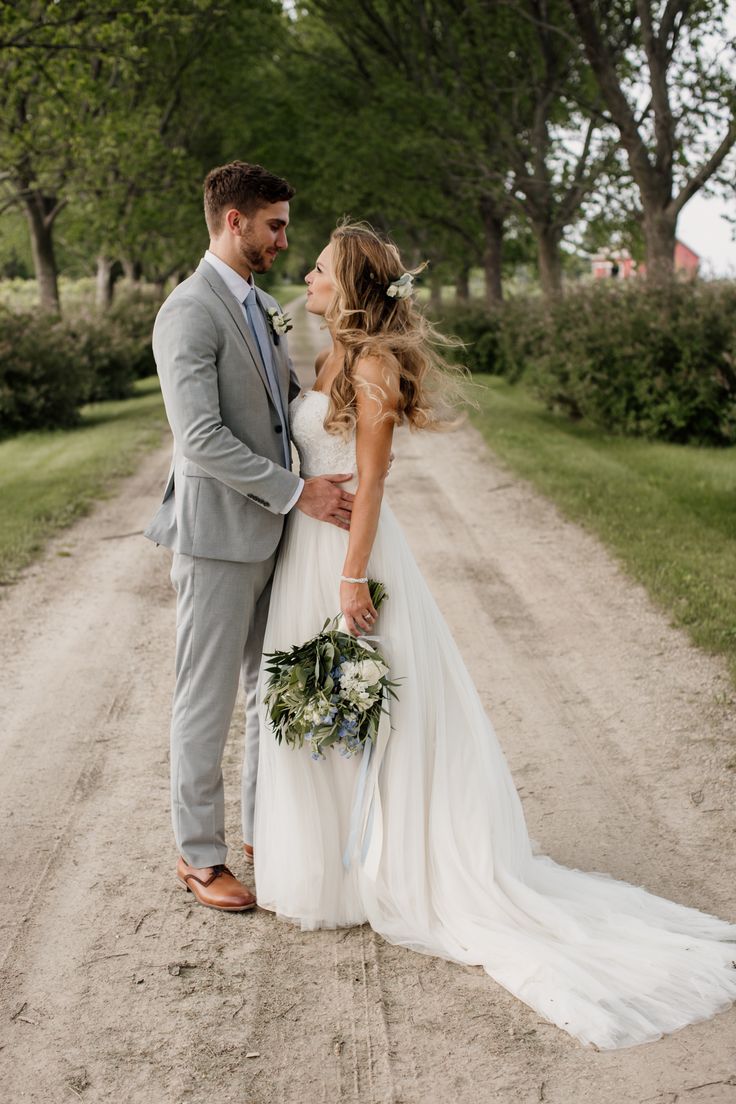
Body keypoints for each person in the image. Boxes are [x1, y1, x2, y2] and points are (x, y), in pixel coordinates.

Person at [252, 219, 736, 1049]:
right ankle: (337, 864)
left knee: (374, 711)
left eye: (322, 268)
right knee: (321, 708)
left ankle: (395, 864)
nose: (309, 275)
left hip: (347, 559)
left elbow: (372, 482)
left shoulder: (370, 365)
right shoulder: (329, 355)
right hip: (309, 551)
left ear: (353, 285)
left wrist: (350, 577)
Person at [144, 162, 354, 912]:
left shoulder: (263, 306)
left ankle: (268, 829)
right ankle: (200, 857)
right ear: (234, 221)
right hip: (216, 537)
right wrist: (299, 490)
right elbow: (199, 436)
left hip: (275, 541)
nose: (283, 239)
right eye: (274, 225)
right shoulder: (188, 311)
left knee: (269, 691)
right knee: (204, 699)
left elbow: (285, 406)